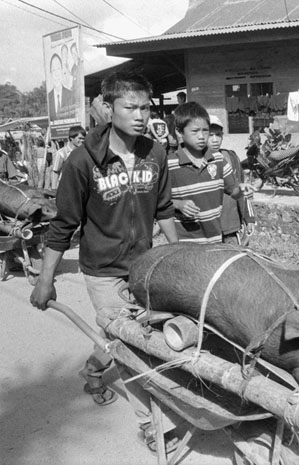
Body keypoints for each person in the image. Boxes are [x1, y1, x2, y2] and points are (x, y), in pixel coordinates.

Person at [30, 71, 181, 452]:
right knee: (133, 348)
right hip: (103, 270)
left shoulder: (156, 153)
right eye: (131, 107)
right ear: (106, 108)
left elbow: (163, 209)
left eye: (146, 107)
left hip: (145, 265)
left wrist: (179, 256)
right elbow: (63, 225)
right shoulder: (82, 162)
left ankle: (96, 369)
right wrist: (44, 279)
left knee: (127, 338)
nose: (141, 115)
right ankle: (151, 425)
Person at [168, 102, 242, 243]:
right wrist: (178, 204)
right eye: (195, 131)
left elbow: (234, 191)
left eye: (205, 130)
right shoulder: (169, 165)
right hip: (183, 244)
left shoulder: (218, 160)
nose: (202, 136)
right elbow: (159, 202)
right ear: (179, 132)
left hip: (215, 240)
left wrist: (243, 190)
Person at [206, 114, 256, 245]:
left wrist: (249, 217)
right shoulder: (197, 163)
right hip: (207, 229)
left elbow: (242, 188)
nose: (215, 140)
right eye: (210, 135)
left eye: (218, 135)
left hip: (230, 225)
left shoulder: (230, 157)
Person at [47, 53, 71, 120]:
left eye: (58, 68)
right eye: (54, 70)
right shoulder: (47, 99)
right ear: (51, 74)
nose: (56, 74)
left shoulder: (71, 95)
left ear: (62, 71)